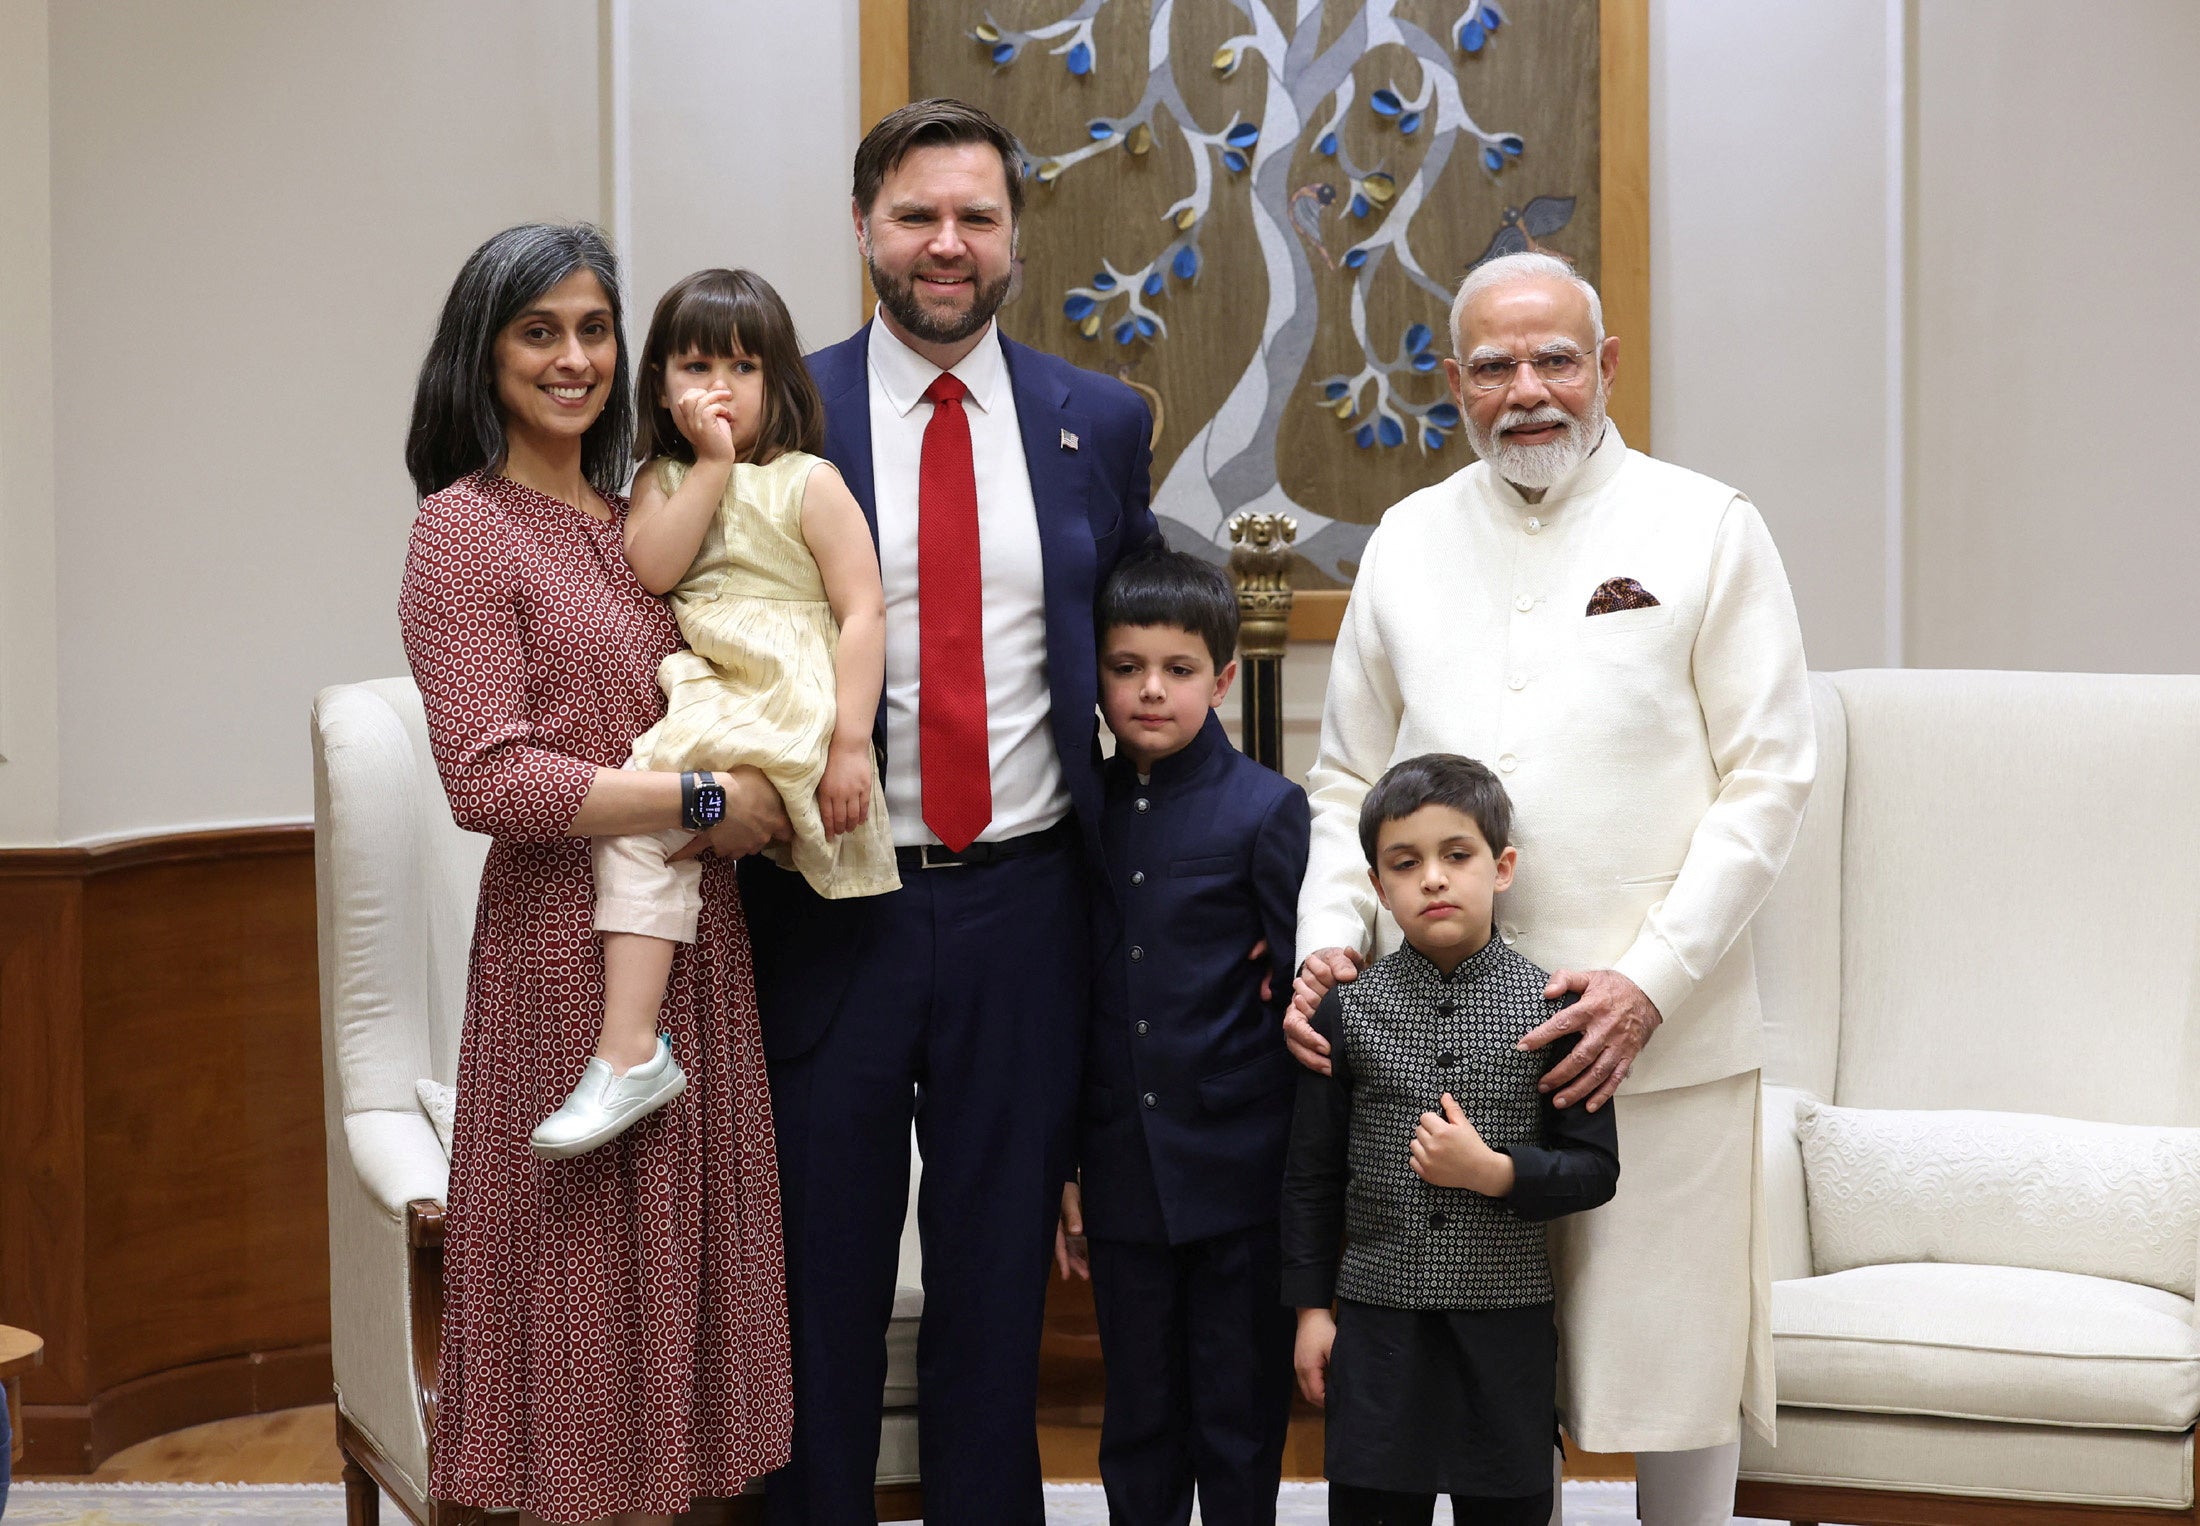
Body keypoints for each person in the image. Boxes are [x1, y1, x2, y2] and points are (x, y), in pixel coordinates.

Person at [1287, 251, 1815, 1525]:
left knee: (1670, 1382)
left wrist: (1649, 977)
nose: (1527, 390)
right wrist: (1326, 937)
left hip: (1650, 1036)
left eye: (1554, 359)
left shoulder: (1707, 523)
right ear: (1451, 383)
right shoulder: (1408, 540)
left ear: (1607, 367)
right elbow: (1344, 771)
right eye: (1492, 365)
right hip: (1433, 1060)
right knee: (1456, 1412)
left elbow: (1772, 775)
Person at [734, 99, 1158, 1525]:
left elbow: (1134, 655)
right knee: (822, 1284)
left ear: (1016, 239)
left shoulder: (1099, 423)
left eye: (975, 216)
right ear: (863, 226)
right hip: (825, 903)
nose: (946, 243)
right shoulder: (777, 412)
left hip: (1025, 905)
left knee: (994, 1292)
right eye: (916, 214)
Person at [398, 223, 792, 1522]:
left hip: (702, 948)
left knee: (685, 1293)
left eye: (592, 329)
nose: (573, 358)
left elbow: (747, 679)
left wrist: (768, 800)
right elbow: (490, 779)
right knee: (581, 1295)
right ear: (484, 350)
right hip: (559, 958)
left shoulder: (649, 513)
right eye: (538, 330)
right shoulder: (462, 532)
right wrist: (699, 794)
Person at [530, 267, 896, 1161]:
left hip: (787, 696)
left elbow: (864, 610)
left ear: (780, 382)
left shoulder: (811, 481)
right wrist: (714, 466)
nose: (719, 388)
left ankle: (627, 1050)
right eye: (695, 366)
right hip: (717, 692)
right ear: (659, 383)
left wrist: (852, 743)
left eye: (742, 366)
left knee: (648, 815)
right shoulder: (660, 480)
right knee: (650, 822)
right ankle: (631, 1049)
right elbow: (653, 568)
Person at [1285, 754, 1619, 1525]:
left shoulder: (1554, 1011)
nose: (1433, 878)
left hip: (1504, 1339)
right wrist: (1311, 1311)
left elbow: (1595, 1170)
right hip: (1377, 1329)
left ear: (1501, 868)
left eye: (1456, 855)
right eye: (1407, 863)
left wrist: (1496, 1173)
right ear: (1378, 886)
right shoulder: (1346, 1013)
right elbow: (1309, 1176)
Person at [1052, 548, 1308, 1526]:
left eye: (1177, 667)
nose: (1150, 688)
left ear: (1224, 676)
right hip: (1121, 1171)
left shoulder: (1267, 810)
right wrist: (1072, 1162)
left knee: (1238, 1417)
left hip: (1242, 1171)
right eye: (1124, 667)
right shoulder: (1083, 812)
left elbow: (1300, 1000)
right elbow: (1073, 994)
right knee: (1139, 1416)